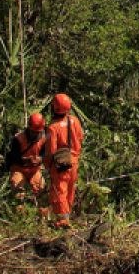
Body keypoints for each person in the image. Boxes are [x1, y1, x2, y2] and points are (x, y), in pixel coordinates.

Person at [44, 92, 84, 229]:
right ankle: (67, 217)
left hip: (60, 163)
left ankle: (63, 221)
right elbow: (80, 138)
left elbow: (51, 149)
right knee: (70, 189)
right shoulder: (74, 120)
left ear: (54, 108)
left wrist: (47, 165)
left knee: (59, 191)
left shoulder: (52, 127)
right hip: (74, 160)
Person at [5, 112, 46, 201]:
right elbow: (12, 156)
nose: (35, 134)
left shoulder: (43, 139)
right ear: (29, 128)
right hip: (19, 169)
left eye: (37, 132)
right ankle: (19, 212)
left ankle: (37, 209)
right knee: (17, 187)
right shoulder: (18, 139)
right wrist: (25, 160)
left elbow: (45, 154)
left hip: (34, 170)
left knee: (41, 187)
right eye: (33, 132)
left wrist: (41, 159)